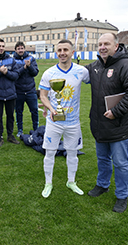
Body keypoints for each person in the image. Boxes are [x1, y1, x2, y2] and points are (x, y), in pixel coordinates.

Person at [85, 33, 128, 213]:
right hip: (100, 124)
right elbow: (73, 75)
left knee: (120, 163)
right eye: (100, 44)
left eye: (106, 44)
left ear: (116, 46)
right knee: (102, 159)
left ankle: (122, 195)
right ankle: (102, 185)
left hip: (118, 126)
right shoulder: (94, 66)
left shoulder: (126, 66)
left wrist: (116, 112)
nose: (102, 47)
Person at [39, 39, 90, 198]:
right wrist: (51, 109)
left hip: (73, 122)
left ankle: (71, 182)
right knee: (50, 153)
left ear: (72, 52)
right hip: (54, 122)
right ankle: (48, 183)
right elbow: (43, 95)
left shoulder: (82, 71)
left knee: (72, 153)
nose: (62, 53)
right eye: (59, 50)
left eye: (65, 50)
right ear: (56, 52)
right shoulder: (49, 73)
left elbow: (97, 83)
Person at [13, 41, 39, 137]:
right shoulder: (13, 60)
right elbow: (14, 74)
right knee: (19, 111)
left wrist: (29, 66)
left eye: (22, 48)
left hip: (30, 90)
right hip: (18, 90)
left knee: (34, 110)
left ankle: (36, 129)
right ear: (15, 50)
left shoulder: (31, 58)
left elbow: (35, 72)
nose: (20, 50)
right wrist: (24, 67)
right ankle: (20, 130)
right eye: (18, 48)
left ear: (24, 49)